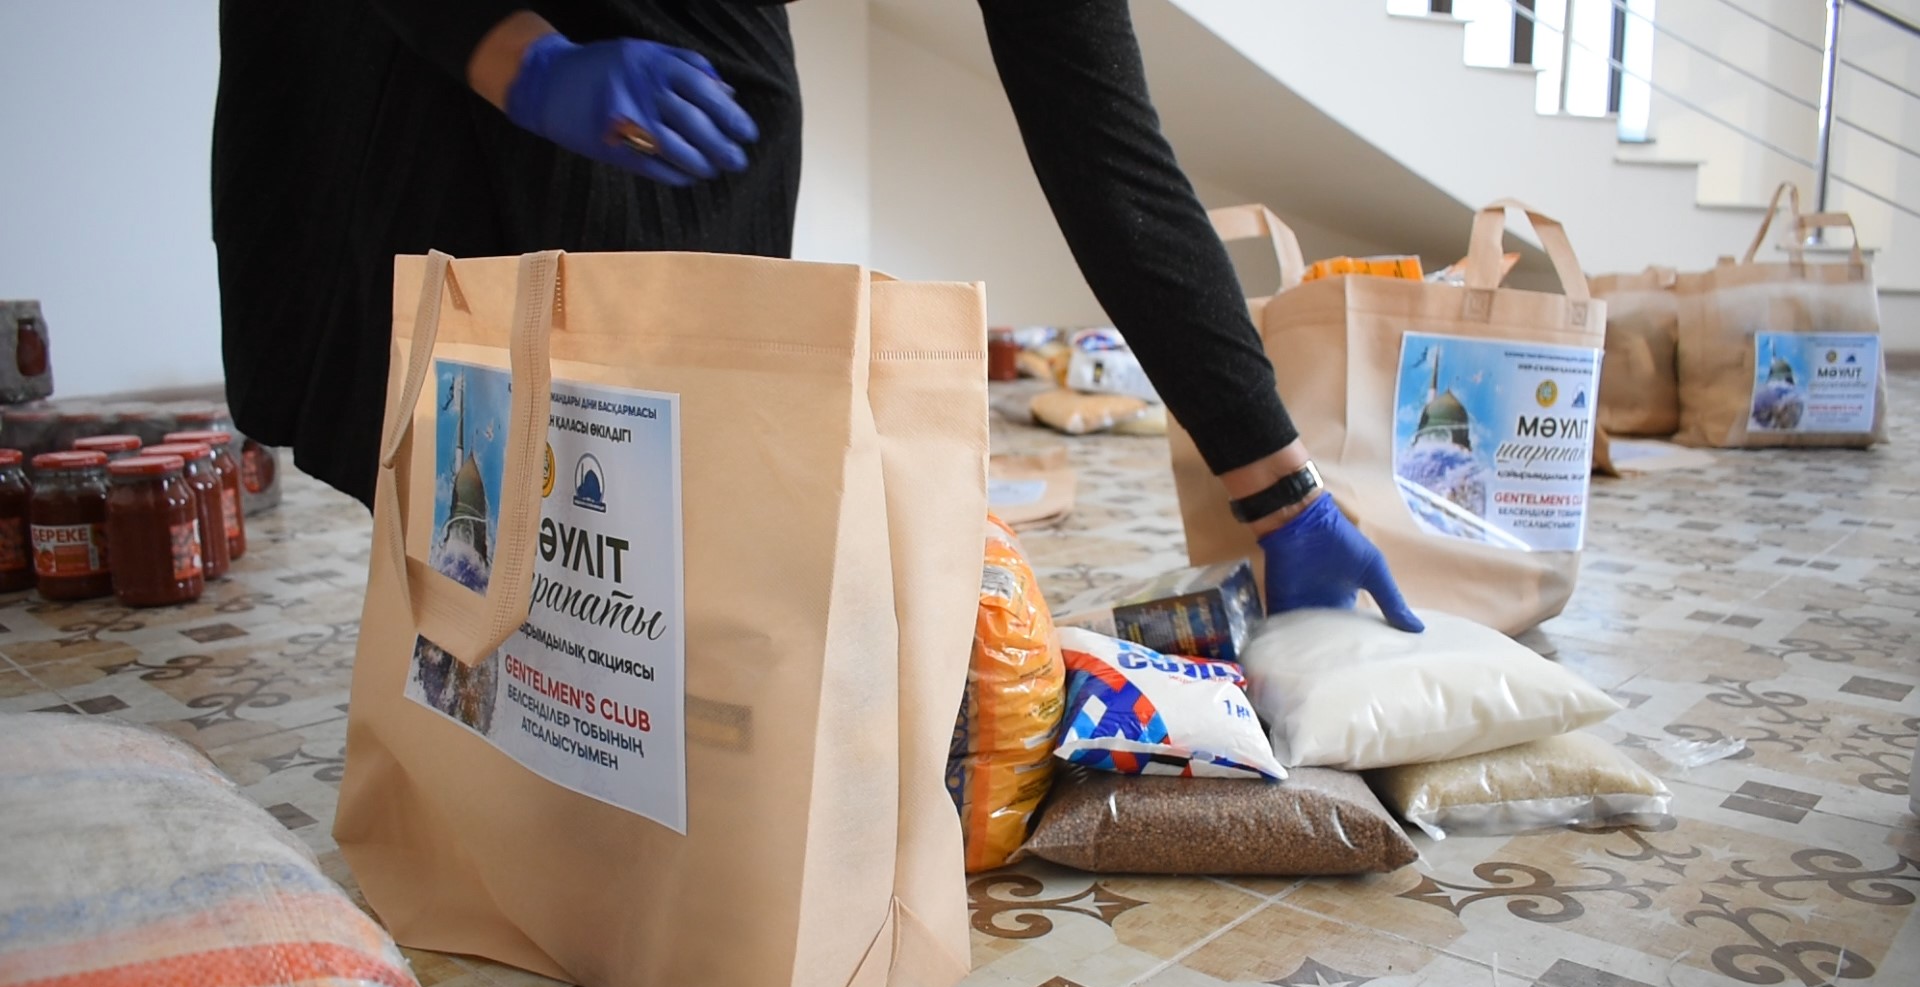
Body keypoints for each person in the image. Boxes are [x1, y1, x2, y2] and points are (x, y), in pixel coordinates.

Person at [212, 0, 1421, 631]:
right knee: (442, 372)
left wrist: (1281, 492)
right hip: (414, 42)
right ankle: (472, 649)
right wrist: (513, 55)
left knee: (654, 436)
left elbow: (1112, 155)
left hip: (693, 52)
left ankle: (583, 656)